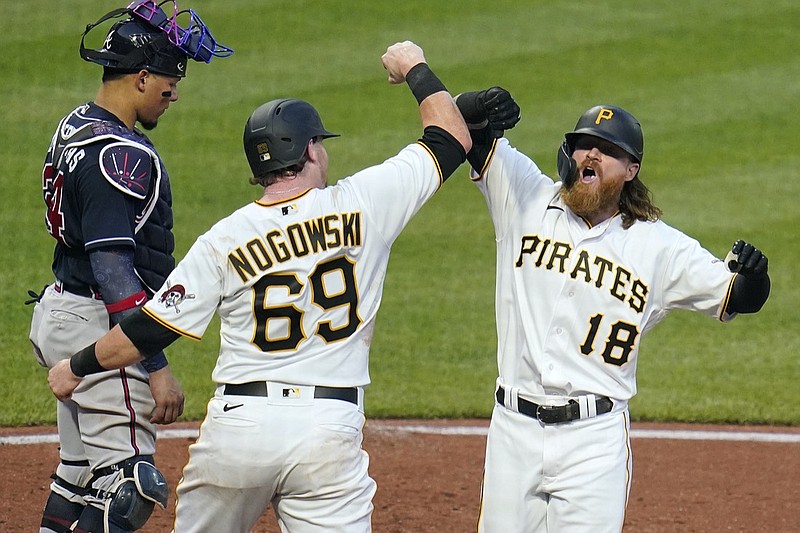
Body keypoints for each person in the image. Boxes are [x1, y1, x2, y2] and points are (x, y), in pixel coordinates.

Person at [47, 40, 471, 532]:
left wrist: (75, 367)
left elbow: (150, 329)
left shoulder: (224, 238)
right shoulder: (366, 203)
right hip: (328, 432)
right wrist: (413, 67)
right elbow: (449, 138)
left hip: (239, 429)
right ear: (311, 149)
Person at [453, 88, 771, 532]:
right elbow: (459, 126)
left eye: (608, 151)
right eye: (585, 144)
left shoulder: (659, 247)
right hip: (513, 430)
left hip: (594, 441)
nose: (592, 155)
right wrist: (476, 105)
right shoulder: (524, 196)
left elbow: (740, 296)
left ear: (631, 170)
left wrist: (756, 278)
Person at [27, 1, 232, 531]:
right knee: (130, 489)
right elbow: (114, 269)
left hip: (62, 308)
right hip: (102, 326)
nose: (173, 95)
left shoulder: (77, 124)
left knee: (78, 474)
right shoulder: (119, 154)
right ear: (141, 77)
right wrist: (155, 366)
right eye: (167, 84)